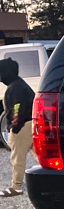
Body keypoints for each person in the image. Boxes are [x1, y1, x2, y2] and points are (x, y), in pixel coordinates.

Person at [0, 58, 35, 197]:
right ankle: (56, 178)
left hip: (23, 126)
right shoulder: (20, 84)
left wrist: (15, 125)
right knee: (39, 154)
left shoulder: (15, 88)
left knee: (17, 158)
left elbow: (17, 107)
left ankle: (16, 187)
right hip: (31, 123)